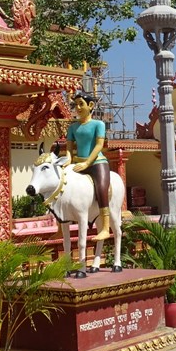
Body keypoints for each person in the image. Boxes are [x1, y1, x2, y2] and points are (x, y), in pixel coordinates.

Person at [66, 91, 112, 241]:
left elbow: (99, 145)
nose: (78, 107)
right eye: (76, 104)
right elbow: (69, 147)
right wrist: (68, 160)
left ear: (90, 105)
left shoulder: (98, 124)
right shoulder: (73, 127)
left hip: (97, 162)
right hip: (78, 162)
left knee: (101, 189)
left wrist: (87, 163)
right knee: (62, 186)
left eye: (81, 104)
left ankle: (105, 227)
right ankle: (62, 224)